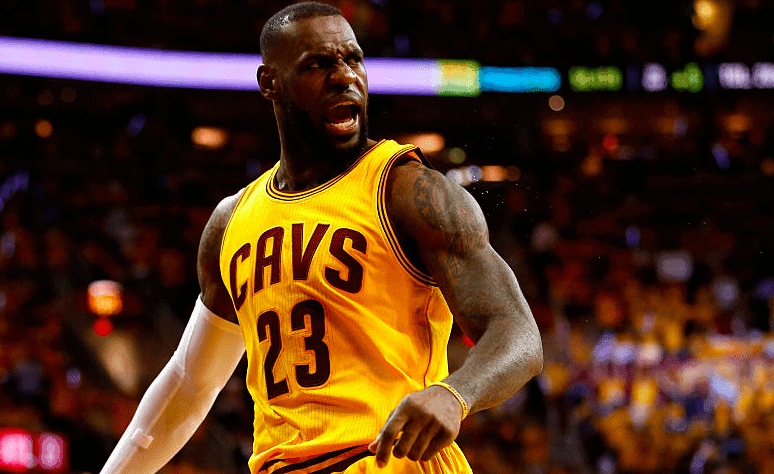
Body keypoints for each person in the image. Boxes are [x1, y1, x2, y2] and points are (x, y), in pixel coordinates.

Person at [99, 3, 543, 474]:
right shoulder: (231, 223)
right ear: (270, 82)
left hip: (389, 459)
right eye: (318, 64)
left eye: (353, 59)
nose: (344, 76)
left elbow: (518, 334)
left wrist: (455, 394)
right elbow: (191, 383)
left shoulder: (408, 190)